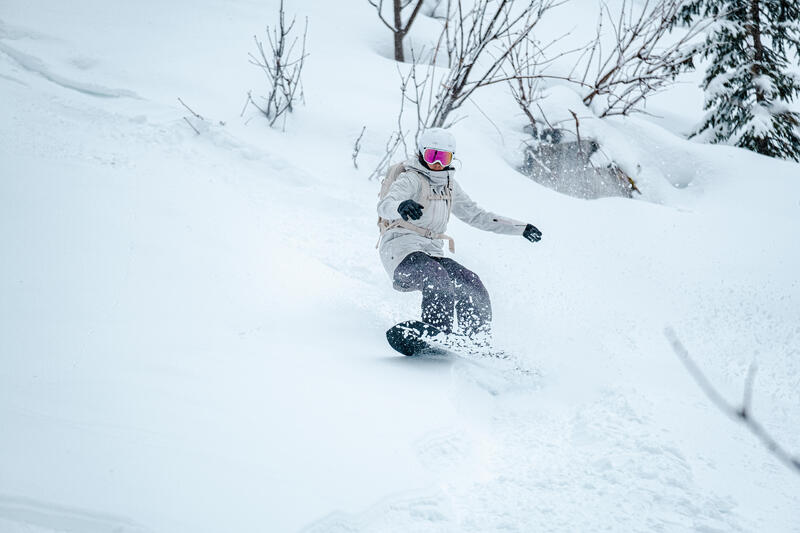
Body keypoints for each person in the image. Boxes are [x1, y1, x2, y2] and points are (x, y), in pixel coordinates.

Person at [377, 128, 542, 342]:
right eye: (432, 156)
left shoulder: (450, 186)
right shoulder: (411, 179)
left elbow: (477, 216)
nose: (437, 163)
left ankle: (476, 339)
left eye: (443, 157)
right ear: (421, 153)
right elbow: (385, 205)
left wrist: (520, 228)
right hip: (400, 252)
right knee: (436, 277)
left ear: (451, 158)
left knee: (471, 283)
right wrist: (400, 206)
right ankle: (436, 333)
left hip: (432, 254)